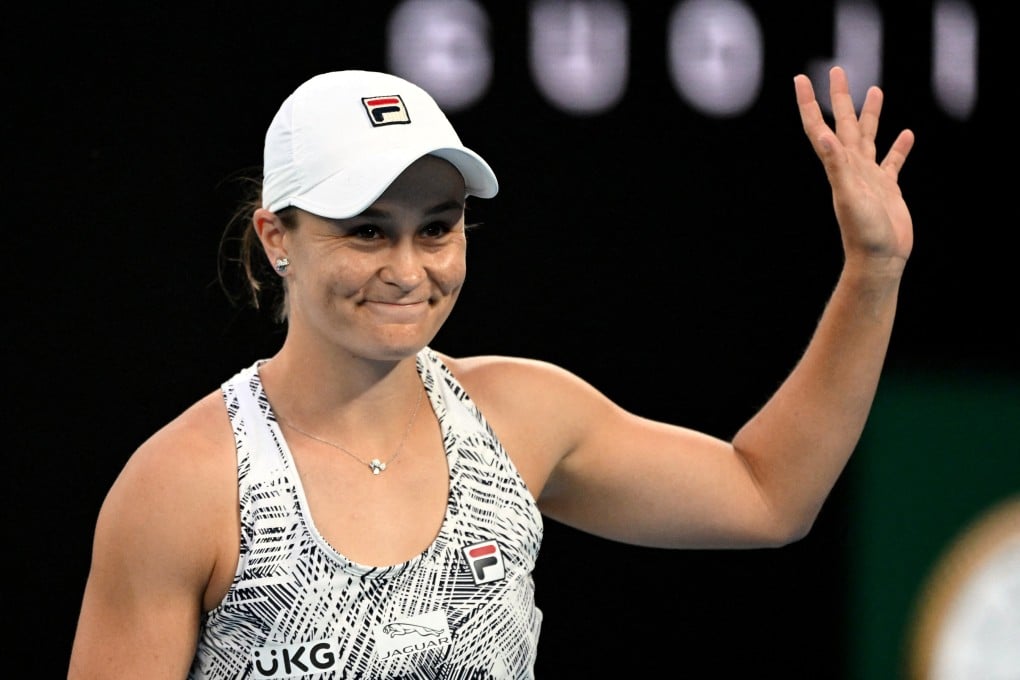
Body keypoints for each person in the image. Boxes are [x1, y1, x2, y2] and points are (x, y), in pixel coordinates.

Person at [67, 65, 914, 679]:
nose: (408, 270)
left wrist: (872, 273)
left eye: (437, 228)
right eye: (367, 231)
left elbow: (768, 495)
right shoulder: (184, 485)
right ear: (276, 238)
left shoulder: (522, 415)